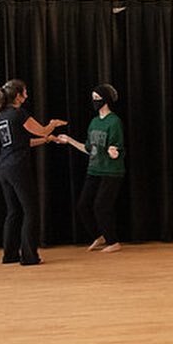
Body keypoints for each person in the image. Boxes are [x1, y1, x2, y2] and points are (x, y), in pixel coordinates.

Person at [0, 79, 66, 266]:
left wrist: (48, 139)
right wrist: (52, 124)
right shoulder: (18, 114)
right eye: (25, 92)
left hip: (4, 167)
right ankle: (29, 256)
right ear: (18, 95)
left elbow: (24, 142)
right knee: (31, 210)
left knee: (14, 211)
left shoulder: (1, 116)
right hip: (17, 167)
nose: (27, 95)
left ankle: (9, 255)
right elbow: (41, 130)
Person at [57, 83, 125, 252]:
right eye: (93, 98)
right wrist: (70, 140)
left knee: (101, 206)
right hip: (94, 169)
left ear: (106, 100)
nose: (94, 101)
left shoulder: (114, 121)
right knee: (83, 205)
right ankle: (99, 236)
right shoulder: (94, 122)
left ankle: (113, 242)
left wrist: (114, 151)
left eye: (97, 98)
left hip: (111, 171)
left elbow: (118, 147)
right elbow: (89, 149)